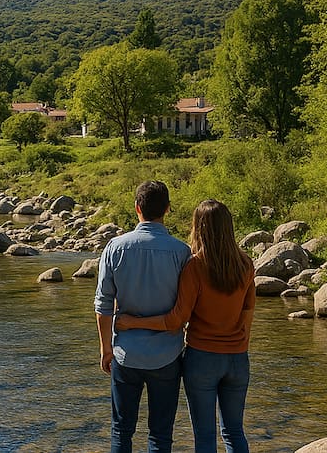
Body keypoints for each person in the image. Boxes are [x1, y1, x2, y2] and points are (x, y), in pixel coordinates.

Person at [116, 199, 256, 453]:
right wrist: (236, 345)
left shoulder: (195, 266)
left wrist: (131, 322)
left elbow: (176, 320)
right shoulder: (245, 264)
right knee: (234, 431)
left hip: (202, 358)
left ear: (198, 228)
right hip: (237, 358)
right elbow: (247, 316)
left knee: (204, 435)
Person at [94, 180, 192, 453]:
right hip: (167, 356)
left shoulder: (115, 247)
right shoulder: (182, 252)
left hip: (126, 353)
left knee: (121, 430)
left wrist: (106, 349)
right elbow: (186, 310)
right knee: (161, 434)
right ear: (168, 209)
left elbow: (103, 304)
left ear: (137, 208)